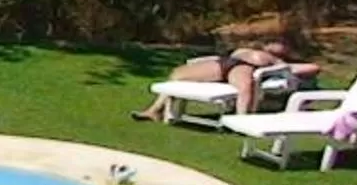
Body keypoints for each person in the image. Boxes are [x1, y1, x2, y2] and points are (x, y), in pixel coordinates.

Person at [132, 32, 320, 121]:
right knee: (178, 74)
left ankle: (241, 120)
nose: (275, 45)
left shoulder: (279, 62)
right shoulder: (251, 48)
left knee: (245, 86)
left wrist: (284, 68)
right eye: (273, 41)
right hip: (224, 62)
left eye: (280, 44)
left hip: (244, 68)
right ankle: (154, 110)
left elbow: (314, 67)